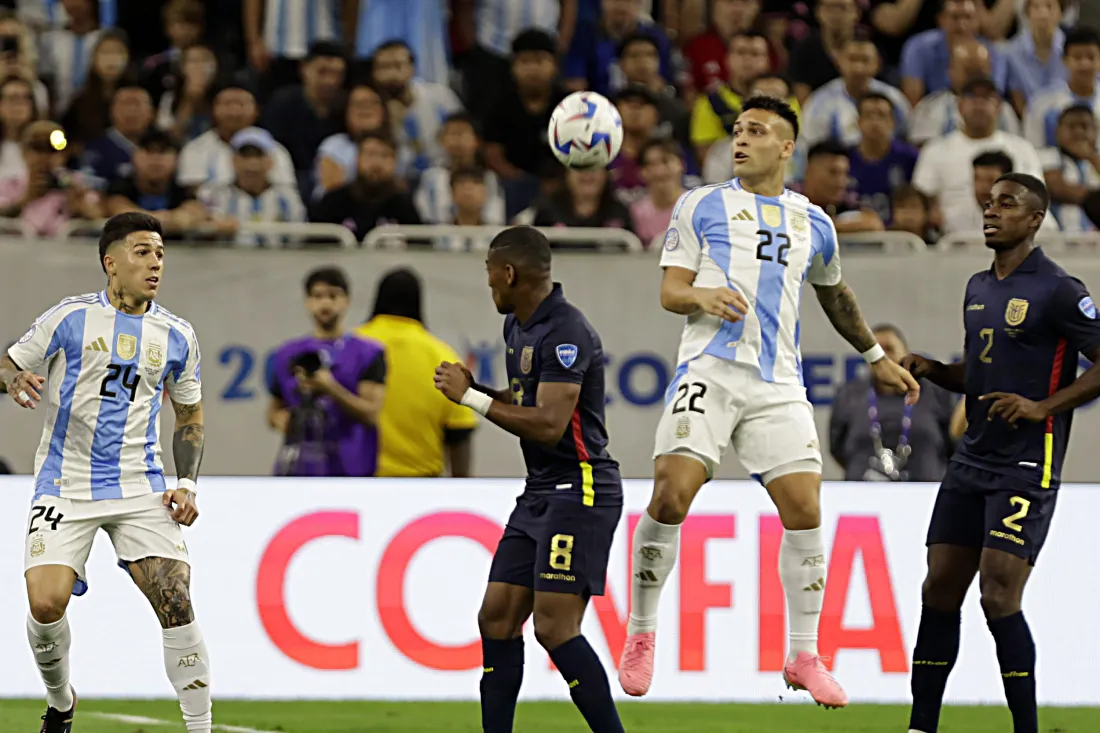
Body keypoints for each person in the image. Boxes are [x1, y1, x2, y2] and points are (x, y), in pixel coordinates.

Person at [617, 95, 920, 707]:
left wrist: (874, 357)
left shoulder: (815, 223)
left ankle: (804, 653)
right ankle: (641, 633)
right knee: (671, 494)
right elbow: (671, 289)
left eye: (757, 131)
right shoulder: (700, 204)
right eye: (737, 130)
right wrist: (702, 297)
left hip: (778, 382)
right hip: (710, 368)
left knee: (806, 508)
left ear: (787, 148)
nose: (741, 139)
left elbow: (835, 296)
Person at [901, 173, 1100, 733]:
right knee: (939, 585)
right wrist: (934, 370)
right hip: (971, 460)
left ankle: (1027, 728)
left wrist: (1045, 407)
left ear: (1036, 219)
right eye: (989, 204)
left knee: (997, 592)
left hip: (1025, 464)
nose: (992, 212)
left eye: (1007, 205)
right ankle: (921, 726)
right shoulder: (978, 286)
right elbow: (982, 374)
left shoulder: (1060, 289)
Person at [0, 211, 212, 733]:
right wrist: (11, 378)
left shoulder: (178, 335)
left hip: (141, 486)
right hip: (65, 483)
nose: (155, 263)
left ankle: (201, 727)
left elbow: (190, 416)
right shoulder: (68, 318)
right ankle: (62, 701)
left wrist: (185, 483)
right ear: (110, 263)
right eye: (142, 252)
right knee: (46, 604)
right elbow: (7, 362)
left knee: (176, 598)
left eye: (160, 253)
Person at [433, 226, 626, 733]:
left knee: (555, 628)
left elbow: (549, 423)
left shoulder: (566, 332)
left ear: (510, 273)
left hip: (580, 488)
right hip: (541, 492)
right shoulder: (518, 327)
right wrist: (481, 387)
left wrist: (471, 400)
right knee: (495, 618)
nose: (489, 283)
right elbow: (526, 403)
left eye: (490, 273)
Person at [357, 267, 478, 477]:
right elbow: (460, 432)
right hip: (422, 488)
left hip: (353, 484)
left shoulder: (351, 347)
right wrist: (462, 490)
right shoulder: (442, 356)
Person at [266, 267, 386, 477]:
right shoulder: (287, 354)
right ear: (308, 302)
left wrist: (329, 387)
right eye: (318, 296)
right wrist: (282, 420)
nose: (326, 303)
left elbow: (370, 413)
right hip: (299, 471)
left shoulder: (367, 353)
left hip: (352, 470)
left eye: (333, 296)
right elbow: (273, 411)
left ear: (346, 301)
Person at [830, 324, 956, 482]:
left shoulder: (936, 393)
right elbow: (837, 449)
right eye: (875, 351)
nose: (883, 357)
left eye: (889, 349)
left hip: (925, 496)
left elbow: (953, 446)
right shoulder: (849, 395)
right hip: (862, 498)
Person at [1041, 104, 1100, 232]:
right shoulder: (1047, 155)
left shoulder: (1096, 161)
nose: (1078, 132)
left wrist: (1092, 157)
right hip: (1059, 241)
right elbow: (1057, 189)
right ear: (1057, 131)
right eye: (1072, 126)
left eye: (1084, 126)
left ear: (1096, 131)